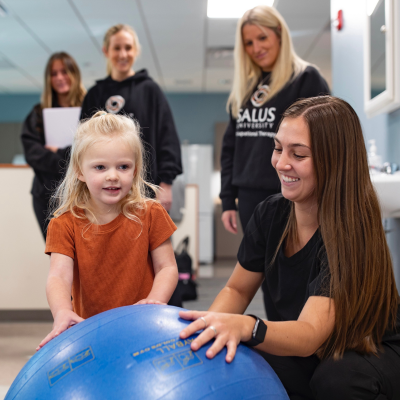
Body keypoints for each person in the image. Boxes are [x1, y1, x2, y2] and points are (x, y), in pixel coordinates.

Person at [180, 96, 400, 400]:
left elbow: (309, 334)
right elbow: (237, 291)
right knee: (236, 358)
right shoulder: (270, 214)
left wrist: (248, 326)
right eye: (278, 148)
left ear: (334, 160)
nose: (281, 163)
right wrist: (210, 331)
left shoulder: (352, 230)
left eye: (298, 154)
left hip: (370, 348)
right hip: (315, 346)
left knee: (336, 380)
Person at [37, 112, 178, 350]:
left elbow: (167, 267)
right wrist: (62, 312)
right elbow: (59, 277)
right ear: (80, 171)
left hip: (143, 328)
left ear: (134, 170)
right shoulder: (64, 223)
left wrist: (156, 301)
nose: (112, 176)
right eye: (100, 167)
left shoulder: (152, 213)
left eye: (123, 166)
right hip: (91, 333)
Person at [80, 24, 182, 211]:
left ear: (136, 50)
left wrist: (166, 184)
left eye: (128, 47)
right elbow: (82, 145)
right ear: (106, 51)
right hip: (102, 192)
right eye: (116, 48)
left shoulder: (150, 91)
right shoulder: (95, 95)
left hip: (145, 190)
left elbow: (167, 139)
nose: (123, 54)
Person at [21, 52, 86, 239]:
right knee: (58, 256)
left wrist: (57, 151)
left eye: (64, 72)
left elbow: (94, 151)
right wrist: (71, 157)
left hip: (84, 196)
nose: (59, 78)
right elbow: (33, 154)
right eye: (53, 73)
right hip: (46, 196)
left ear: (74, 74)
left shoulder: (91, 110)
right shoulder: (38, 113)